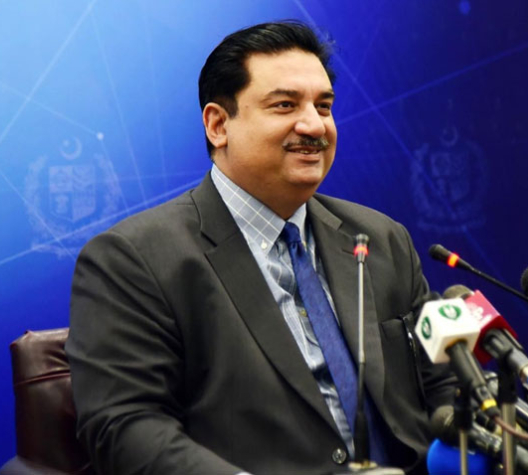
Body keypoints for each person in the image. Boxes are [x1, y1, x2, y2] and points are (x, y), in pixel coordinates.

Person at [66, 21, 455, 475]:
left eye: (324, 106)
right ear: (218, 125)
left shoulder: (381, 238)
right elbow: (126, 427)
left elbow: (446, 380)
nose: (314, 125)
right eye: (285, 105)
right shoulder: (134, 259)